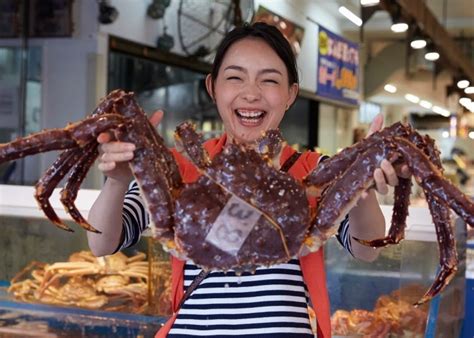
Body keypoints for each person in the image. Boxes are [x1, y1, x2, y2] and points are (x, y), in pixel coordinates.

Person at [87, 22, 407, 338]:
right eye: (235, 77)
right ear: (213, 87)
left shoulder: (315, 173)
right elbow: (102, 243)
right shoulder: (179, 170)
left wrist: (360, 185)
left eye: (269, 80)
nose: (251, 93)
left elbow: (367, 250)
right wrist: (115, 181)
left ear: (290, 93)